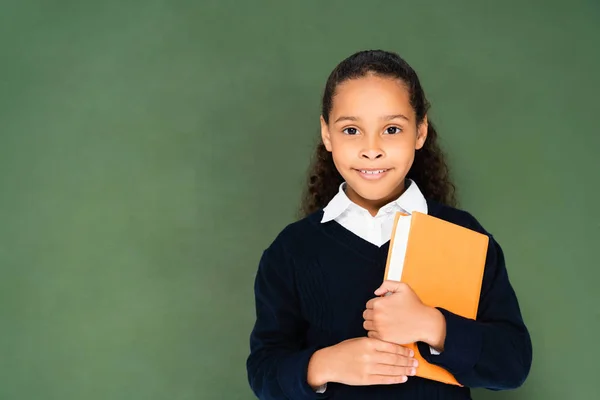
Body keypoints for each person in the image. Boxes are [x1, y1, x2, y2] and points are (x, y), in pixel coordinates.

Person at [246, 49, 532, 399]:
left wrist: (433, 325)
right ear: (327, 135)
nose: (372, 149)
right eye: (351, 130)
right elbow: (264, 371)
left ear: (420, 132)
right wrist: (326, 364)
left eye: (392, 129)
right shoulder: (291, 250)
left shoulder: (463, 235)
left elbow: (513, 364)